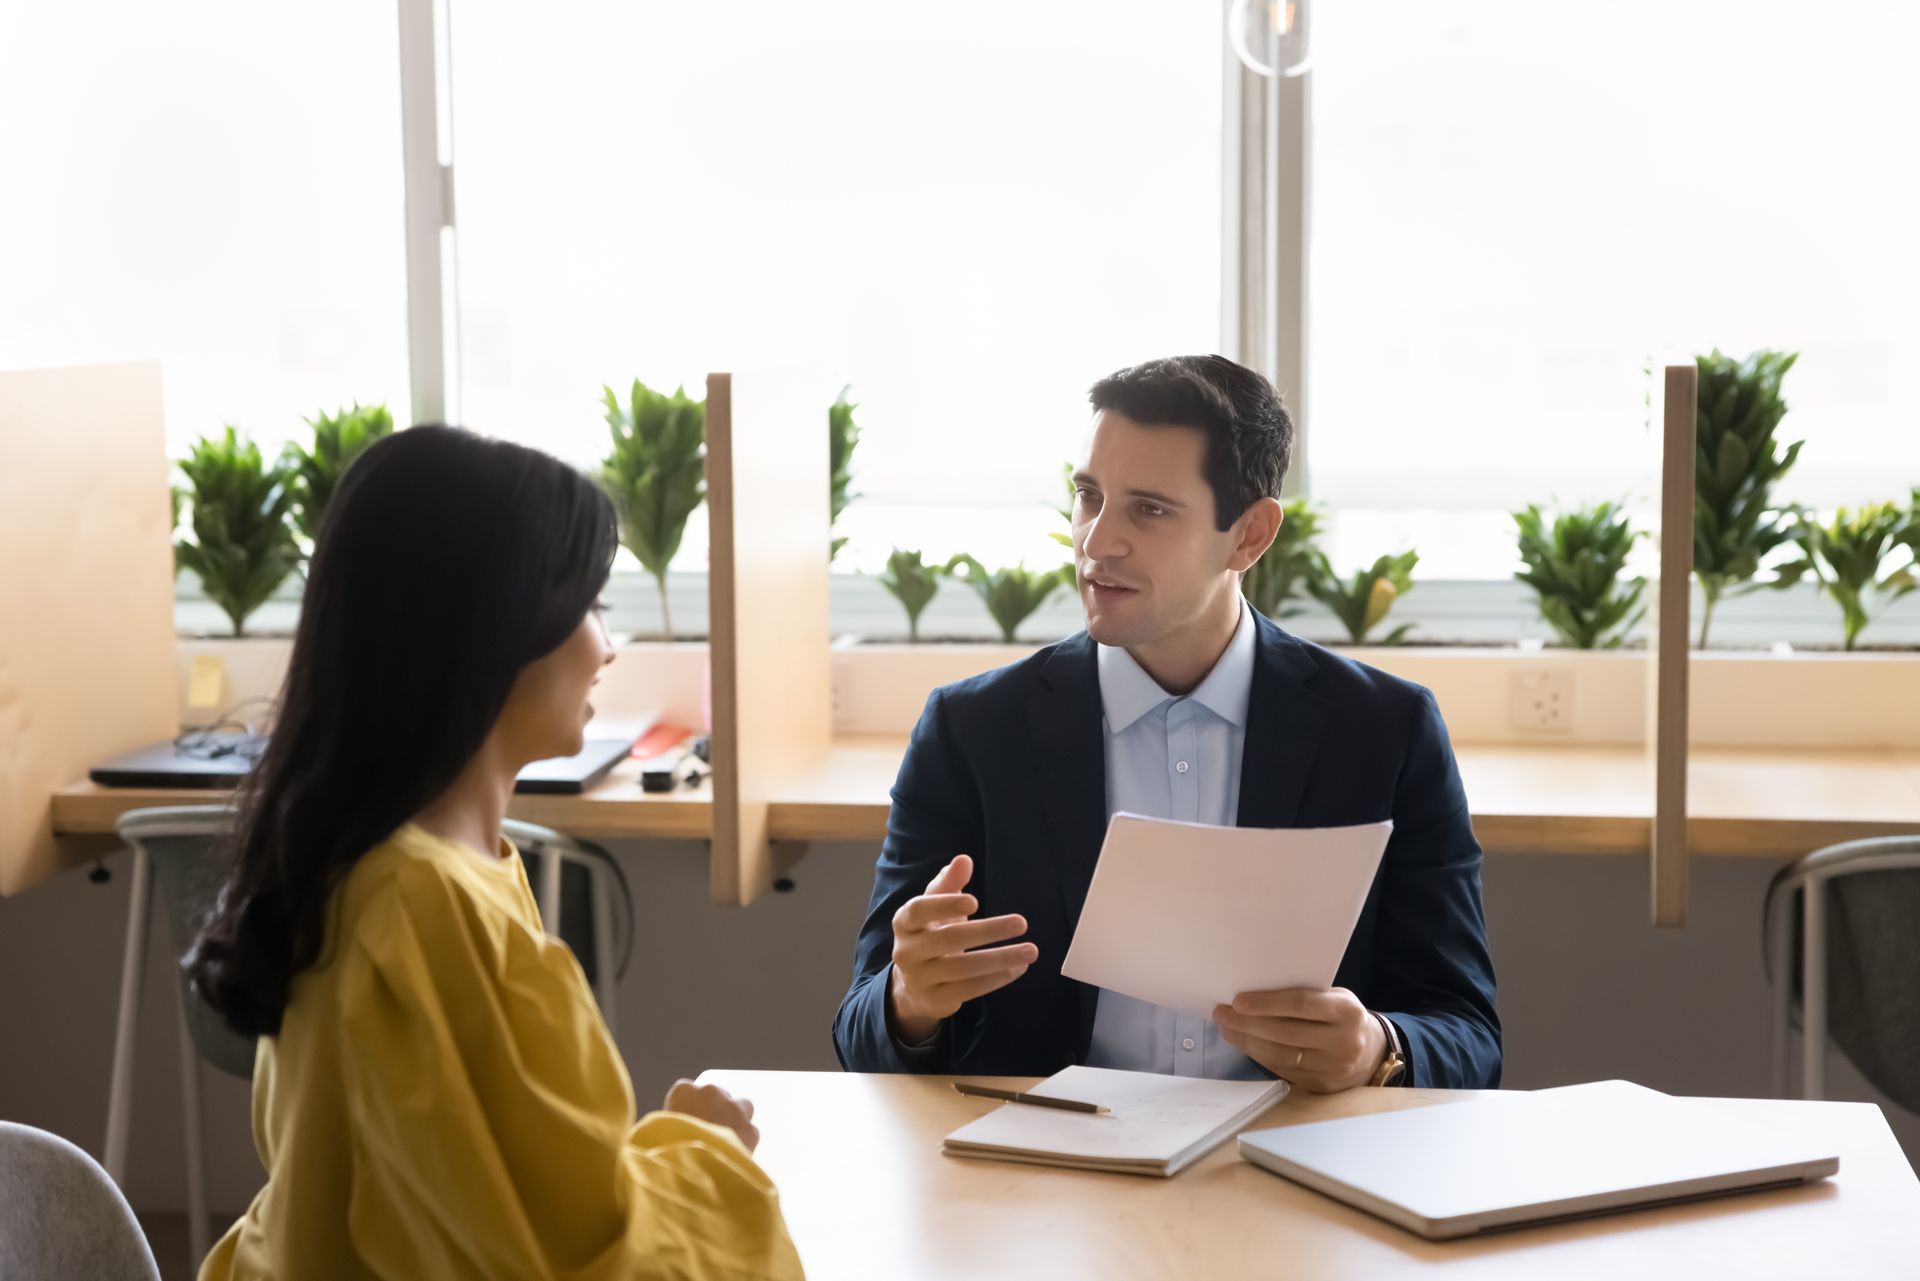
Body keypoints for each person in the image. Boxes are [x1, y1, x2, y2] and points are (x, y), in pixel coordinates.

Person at [187, 426, 802, 1280]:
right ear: (492, 628)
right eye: (589, 607)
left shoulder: (393, 871)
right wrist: (705, 1148)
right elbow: (572, 1257)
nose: (606, 646)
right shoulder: (422, 906)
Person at [834, 355, 1499, 1091]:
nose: (1095, 542)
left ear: (1248, 535)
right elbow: (860, 1032)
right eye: (1090, 495)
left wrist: (1380, 1047)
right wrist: (909, 1000)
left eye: (1148, 509)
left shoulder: (1385, 730)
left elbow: (1466, 1032)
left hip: (1290, 1160)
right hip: (1045, 1171)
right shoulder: (972, 729)